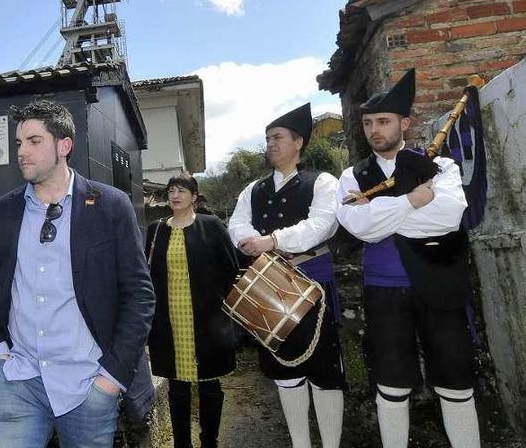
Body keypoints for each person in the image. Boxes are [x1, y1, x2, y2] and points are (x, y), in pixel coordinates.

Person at [0, 99, 155, 448]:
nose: (22, 151)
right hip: (17, 378)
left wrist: (111, 378)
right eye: (18, 143)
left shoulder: (110, 205)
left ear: (64, 145)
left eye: (34, 141)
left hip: (87, 384)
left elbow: (139, 294)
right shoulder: (4, 211)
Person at [337, 68, 479, 448]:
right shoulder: (352, 177)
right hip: (384, 289)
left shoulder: (441, 166)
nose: (374, 130)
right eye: (367, 123)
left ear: (405, 123)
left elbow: (449, 217)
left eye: (383, 121)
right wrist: (413, 201)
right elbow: (359, 227)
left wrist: (387, 214)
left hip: (439, 282)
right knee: (390, 382)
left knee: (455, 381)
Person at [228, 103, 346, 448]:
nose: (270, 144)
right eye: (267, 139)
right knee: (285, 372)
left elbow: (322, 224)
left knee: (325, 373)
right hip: (268, 283)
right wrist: (249, 242)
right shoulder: (253, 189)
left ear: (299, 142)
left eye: (277, 137)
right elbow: (237, 223)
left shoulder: (323, 181)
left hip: (312, 281)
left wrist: (274, 240)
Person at [145, 173, 238, 448]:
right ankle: (181, 443)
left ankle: (210, 440)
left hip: (206, 318)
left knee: (209, 383)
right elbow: (148, 273)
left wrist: (214, 299)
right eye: (171, 190)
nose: (175, 195)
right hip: (169, 319)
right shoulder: (157, 229)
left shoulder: (211, 226)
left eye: (182, 190)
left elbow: (230, 268)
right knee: (177, 386)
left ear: (194, 197)